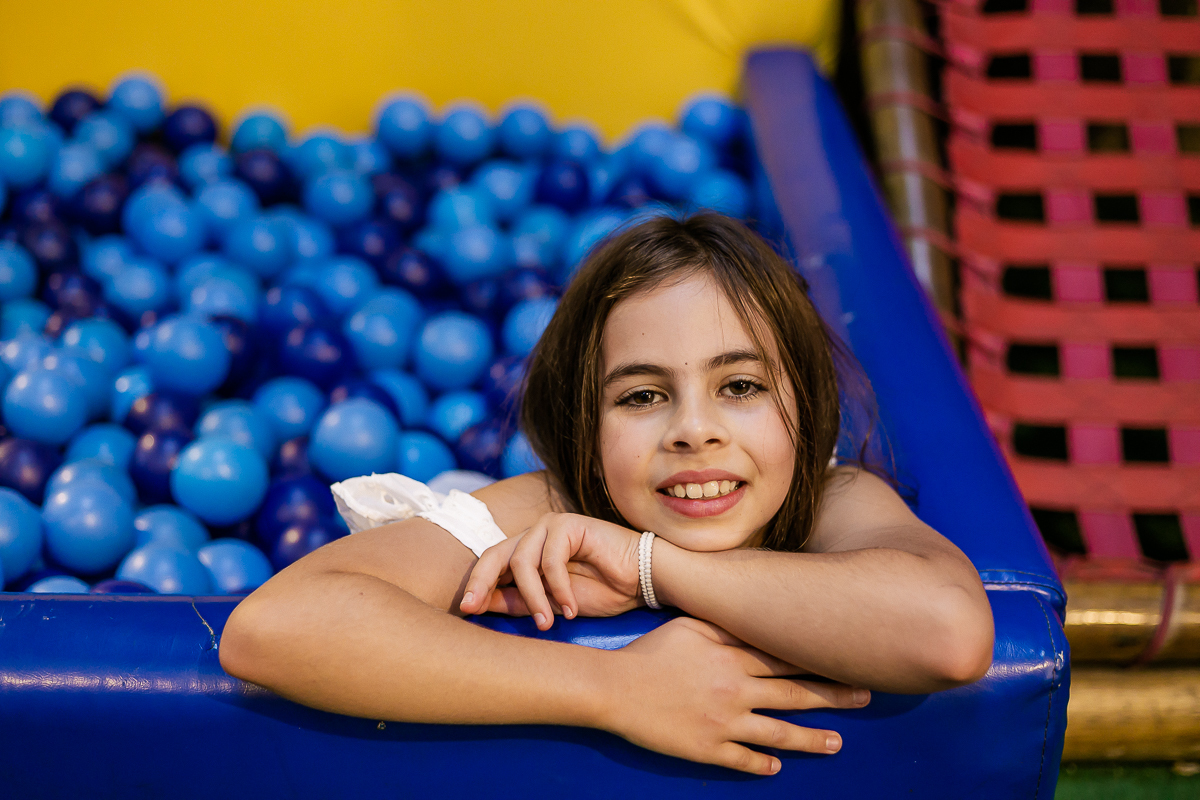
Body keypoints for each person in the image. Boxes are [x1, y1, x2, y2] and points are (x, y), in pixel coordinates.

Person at [219, 213, 994, 777]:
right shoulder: (555, 505)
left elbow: (950, 633)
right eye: (641, 397)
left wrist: (645, 564)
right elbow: (272, 628)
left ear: (808, 407)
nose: (694, 430)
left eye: (741, 386)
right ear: (584, 429)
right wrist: (614, 686)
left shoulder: (830, 497)